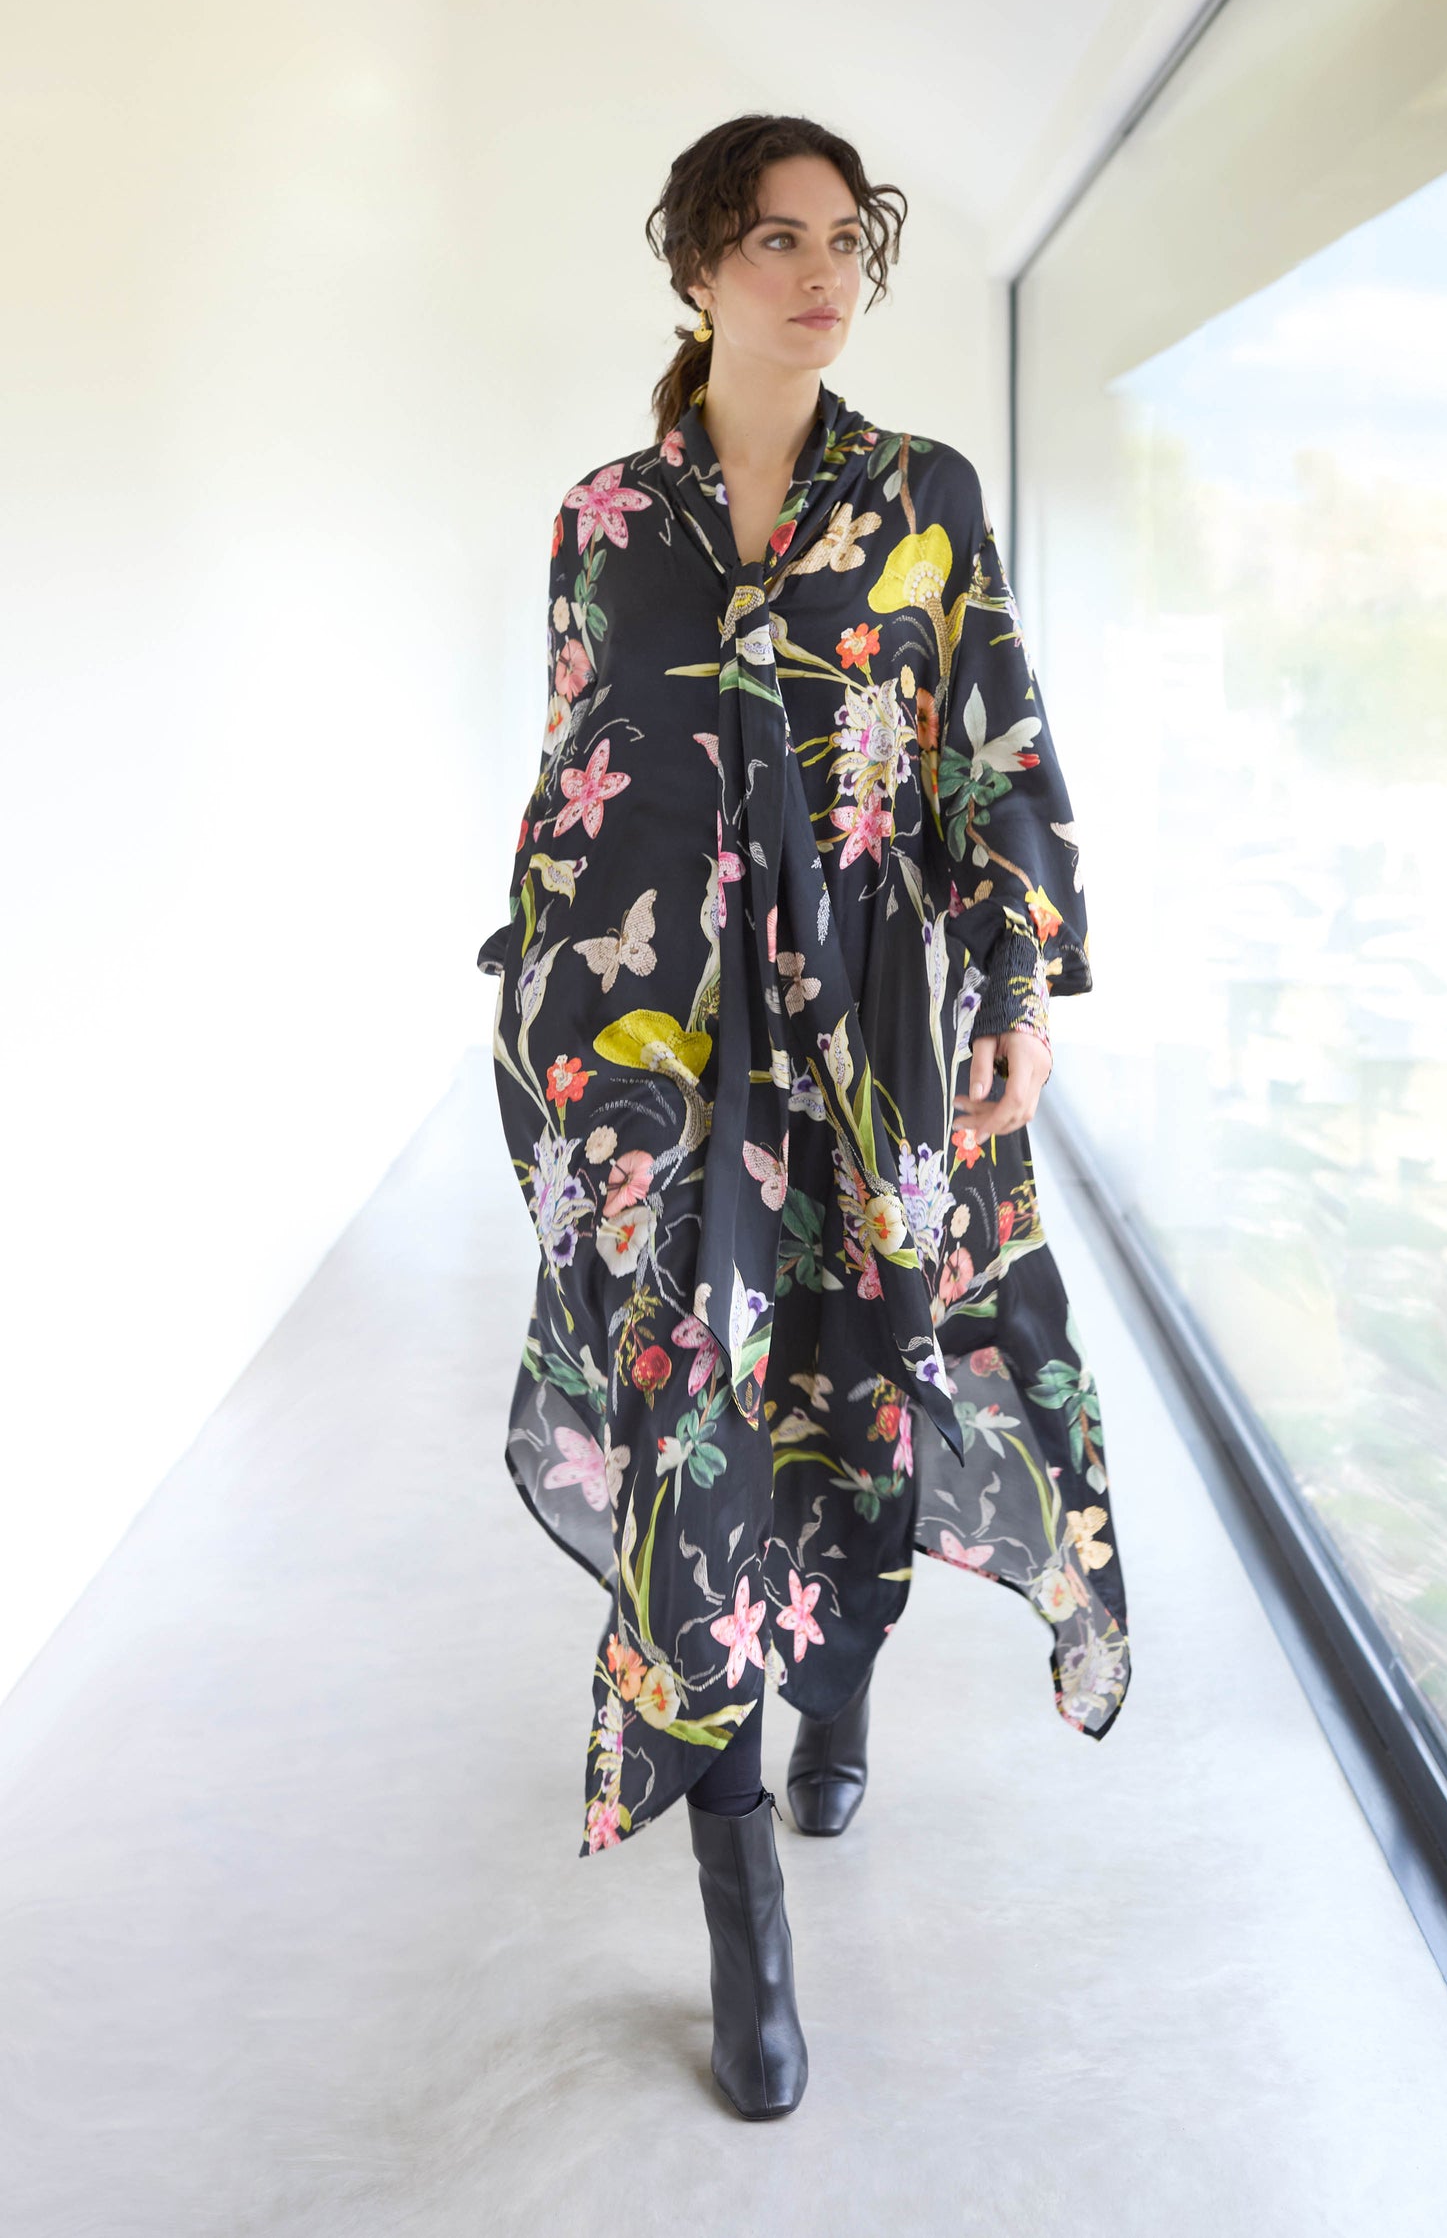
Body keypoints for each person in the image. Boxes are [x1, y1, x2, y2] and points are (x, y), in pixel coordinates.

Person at [476, 112, 1132, 2121]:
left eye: (846, 240)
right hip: (659, 1069)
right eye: (774, 238)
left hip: (873, 1049)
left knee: (863, 1394)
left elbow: (995, 746)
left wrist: (1014, 975)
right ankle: (739, 1892)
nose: (819, 272)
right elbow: (581, 784)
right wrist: (558, 1046)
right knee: (694, 1427)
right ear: (695, 266)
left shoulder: (920, 499)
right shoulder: (605, 517)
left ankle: (838, 1672)